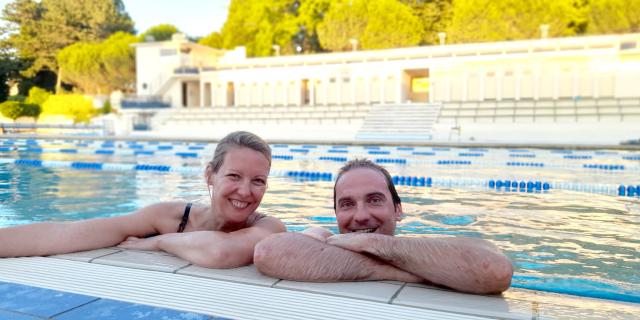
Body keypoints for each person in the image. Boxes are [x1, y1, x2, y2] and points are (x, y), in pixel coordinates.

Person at [0, 131, 285, 268]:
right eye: (234, 176)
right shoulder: (169, 216)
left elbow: (220, 252)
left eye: (257, 181)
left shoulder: (270, 228)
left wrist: (158, 242)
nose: (246, 192)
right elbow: (68, 232)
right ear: (210, 175)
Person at [254, 158, 513, 294]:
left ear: (398, 210)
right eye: (346, 204)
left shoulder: (428, 246)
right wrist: (408, 272)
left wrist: (374, 243)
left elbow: (496, 271)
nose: (361, 216)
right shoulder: (324, 237)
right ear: (335, 214)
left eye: (374, 200)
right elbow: (268, 253)